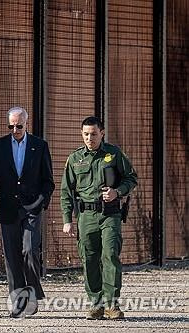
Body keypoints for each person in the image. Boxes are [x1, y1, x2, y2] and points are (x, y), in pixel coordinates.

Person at [61, 116, 137, 320]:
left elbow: (132, 178)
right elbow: (66, 192)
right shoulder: (75, 159)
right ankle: (96, 303)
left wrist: (117, 192)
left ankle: (112, 304)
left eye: (93, 134)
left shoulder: (113, 154)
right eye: (86, 134)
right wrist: (67, 220)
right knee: (90, 259)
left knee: (110, 254)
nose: (89, 138)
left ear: (101, 133)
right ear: (81, 134)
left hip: (109, 214)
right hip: (85, 216)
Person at [0, 106, 55, 317]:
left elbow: (48, 181)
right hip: (8, 207)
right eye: (11, 126)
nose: (15, 129)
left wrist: (42, 202)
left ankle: (32, 294)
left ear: (26, 124)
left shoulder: (40, 146)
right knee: (12, 257)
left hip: (32, 207)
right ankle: (20, 302)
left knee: (30, 250)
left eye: (19, 126)